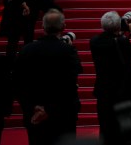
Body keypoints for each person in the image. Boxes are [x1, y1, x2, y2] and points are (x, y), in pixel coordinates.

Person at [13, 9, 82, 145]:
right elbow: (69, 83)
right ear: (63, 27)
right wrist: (50, 110)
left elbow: (18, 83)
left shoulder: (26, 50)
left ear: (43, 27)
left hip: (35, 115)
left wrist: (33, 108)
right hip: (62, 115)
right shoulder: (68, 51)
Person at [89, 11, 131, 145]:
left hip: (104, 92)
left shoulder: (94, 42)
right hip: (122, 92)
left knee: (105, 129)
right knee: (125, 129)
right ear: (118, 27)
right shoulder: (122, 42)